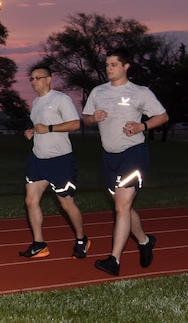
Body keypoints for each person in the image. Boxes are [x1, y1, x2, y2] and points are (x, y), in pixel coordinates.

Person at [82, 47, 168, 276]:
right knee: (124, 207)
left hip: (133, 153)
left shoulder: (139, 92)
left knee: (121, 206)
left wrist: (142, 126)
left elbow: (163, 116)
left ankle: (114, 260)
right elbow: (86, 117)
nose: (109, 68)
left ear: (126, 66)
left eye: (113, 65)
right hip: (109, 156)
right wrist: (93, 118)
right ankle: (144, 240)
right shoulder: (98, 92)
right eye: (107, 65)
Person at [19, 64, 90, 260]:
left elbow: (75, 123)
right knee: (31, 200)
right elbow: (40, 127)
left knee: (66, 203)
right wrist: (32, 132)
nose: (34, 82)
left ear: (49, 79)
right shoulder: (35, 103)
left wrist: (49, 128)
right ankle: (39, 244)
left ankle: (82, 239)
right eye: (31, 79)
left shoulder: (60, 99)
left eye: (38, 78)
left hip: (60, 160)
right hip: (38, 159)